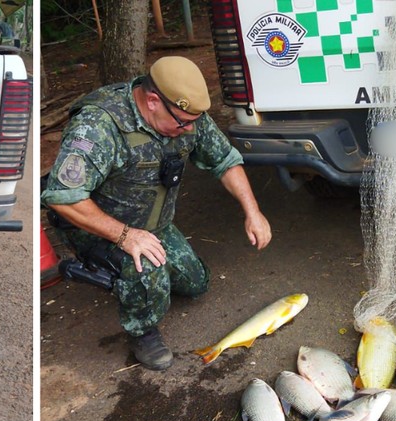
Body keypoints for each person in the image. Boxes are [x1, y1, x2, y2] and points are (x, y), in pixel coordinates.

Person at [42, 56, 272, 370]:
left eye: (193, 121)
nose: (191, 128)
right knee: (146, 269)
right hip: (98, 226)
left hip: (153, 224)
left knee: (196, 283)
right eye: (183, 123)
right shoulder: (100, 124)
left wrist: (253, 212)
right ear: (153, 101)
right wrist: (125, 236)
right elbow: (63, 197)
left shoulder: (184, 113)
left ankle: (140, 280)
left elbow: (225, 161)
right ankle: (141, 329)